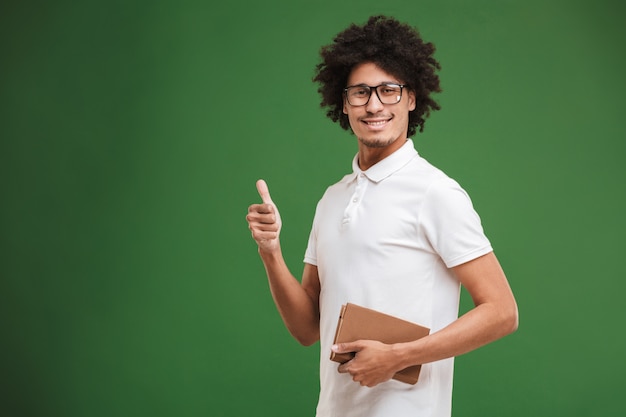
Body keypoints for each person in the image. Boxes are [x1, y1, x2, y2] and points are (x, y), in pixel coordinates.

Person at [246, 15, 518, 417]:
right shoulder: (332, 199)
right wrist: (270, 251)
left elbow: (502, 312)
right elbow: (307, 329)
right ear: (343, 103)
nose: (374, 105)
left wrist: (397, 356)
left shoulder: (434, 192)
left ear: (411, 98)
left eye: (389, 90)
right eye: (360, 92)